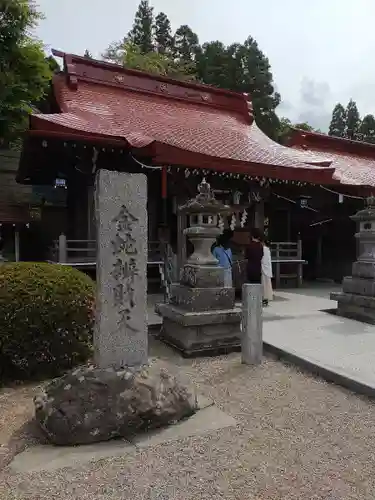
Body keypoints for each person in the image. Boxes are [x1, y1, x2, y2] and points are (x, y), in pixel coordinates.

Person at [261, 239, 273, 306]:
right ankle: (267, 299)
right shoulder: (268, 250)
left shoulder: (263, 249)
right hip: (267, 268)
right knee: (267, 285)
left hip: (263, 268)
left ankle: (264, 298)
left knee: (264, 285)